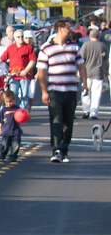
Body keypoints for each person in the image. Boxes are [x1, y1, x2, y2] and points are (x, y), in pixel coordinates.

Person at [37, 18, 88, 163]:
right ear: (60, 29)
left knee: (68, 123)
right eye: (68, 28)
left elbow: (81, 66)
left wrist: (84, 82)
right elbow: (41, 71)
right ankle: (56, 150)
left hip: (71, 90)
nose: (70, 30)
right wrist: (44, 91)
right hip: (55, 91)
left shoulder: (74, 47)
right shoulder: (47, 48)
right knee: (56, 121)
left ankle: (65, 149)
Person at [0, 29, 37, 113]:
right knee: (13, 94)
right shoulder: (11, 48)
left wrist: (26, 70)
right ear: (14, 38)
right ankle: (15, 111)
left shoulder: (28, 47)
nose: (20, 38)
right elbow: (3, 58)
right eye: (18, 37)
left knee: (24, 95)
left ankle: (22, 112)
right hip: (13, 75)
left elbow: (33, 60)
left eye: (22, 36)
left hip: (25, 76)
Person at [79, 27, 108, 119]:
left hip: (86, 72)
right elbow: (106, 60)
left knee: (85, 92)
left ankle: (85, 110)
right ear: (98, 36)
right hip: (98, 72)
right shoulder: (102, 46)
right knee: (96, 93)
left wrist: (79, 71)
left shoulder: (85, 45)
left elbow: (81, 59)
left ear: (89, 36)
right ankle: (94, 113)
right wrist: (106, 72)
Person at [0, 90, 23, 161]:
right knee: (5, 144)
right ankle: (3, 154)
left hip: (15, 130)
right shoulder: (4, 110)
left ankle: (13, 155)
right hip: (6, 130)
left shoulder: (17, 108)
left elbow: (22, 117)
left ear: (14, 100)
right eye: (6, 102)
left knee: (16, 145)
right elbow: (1, 120)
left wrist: (23, 118)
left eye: (10, 101)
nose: (9, 103)